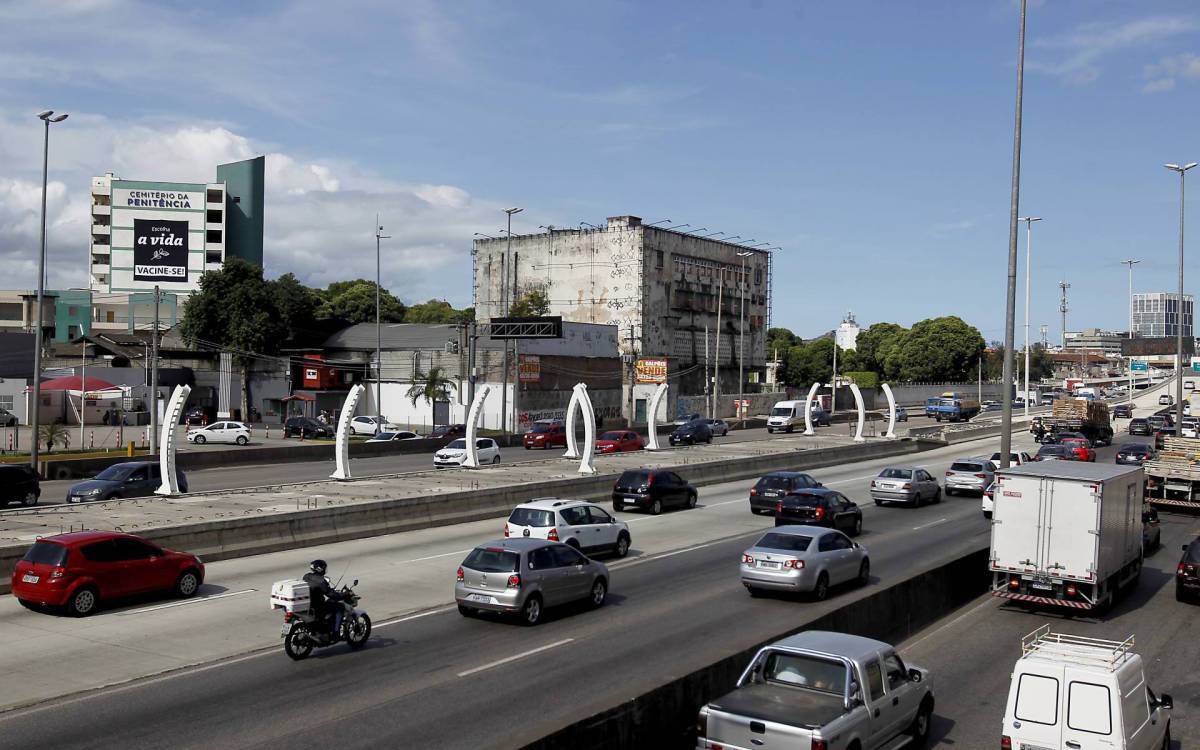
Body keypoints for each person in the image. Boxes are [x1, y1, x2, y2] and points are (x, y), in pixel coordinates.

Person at [303, 559, 344, 637]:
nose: (325, 569)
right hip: (317, 605)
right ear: (320, 569)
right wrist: (342, 595)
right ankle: (336, 632)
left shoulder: (307, 576)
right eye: (324, 567)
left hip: (308, 604)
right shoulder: (321, 581)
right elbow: (330, 594)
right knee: (340, 607)